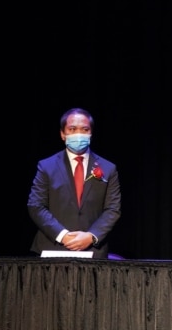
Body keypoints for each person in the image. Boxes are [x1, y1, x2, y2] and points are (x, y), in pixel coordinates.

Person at [28, 108, 122, 259]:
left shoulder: (108, 168)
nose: (79, 134)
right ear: (63, 134)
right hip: (52, 249)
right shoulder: (46, 166)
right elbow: (36, 205)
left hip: (93, 251)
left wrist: (91, 236)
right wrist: (63, 235)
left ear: (91, 134)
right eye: (72, 129)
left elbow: (113, 209)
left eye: (84, 129)